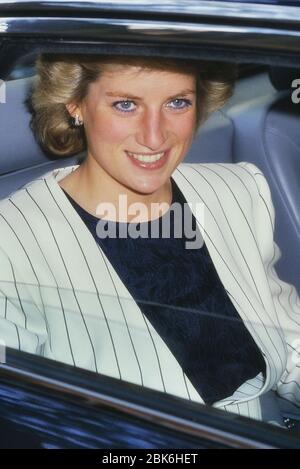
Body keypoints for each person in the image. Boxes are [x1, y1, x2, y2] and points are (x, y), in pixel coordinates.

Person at [0, 53, 299, 425]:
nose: (155, 136)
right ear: (75, 104)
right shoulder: (10, 244)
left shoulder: (237, 189)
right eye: (126, 104)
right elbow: (20, 419)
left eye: (177, 102)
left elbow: (289, 342)